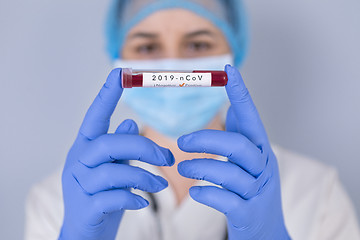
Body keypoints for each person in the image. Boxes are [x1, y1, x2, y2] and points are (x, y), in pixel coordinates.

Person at [25, 0, 360, 239]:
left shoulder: (316, 191)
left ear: (234, 51)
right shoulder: (58, 199)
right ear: (118, 57)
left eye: (198, 44)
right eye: (146, 48)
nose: (174, 66)